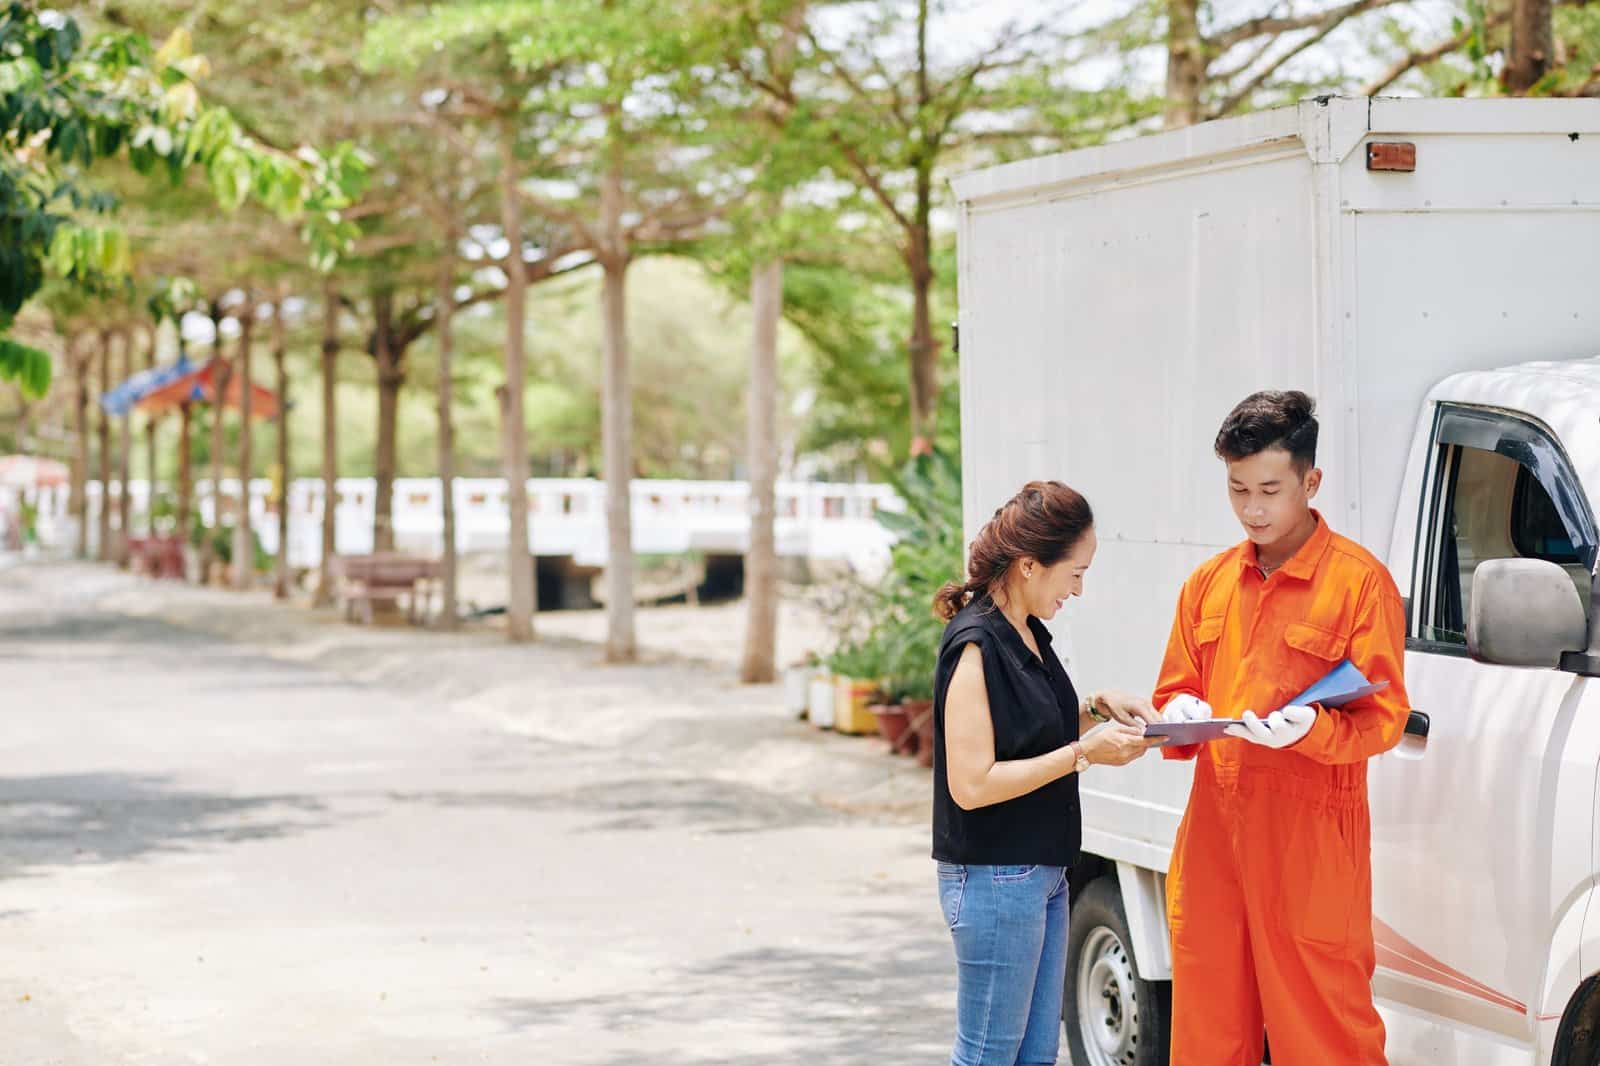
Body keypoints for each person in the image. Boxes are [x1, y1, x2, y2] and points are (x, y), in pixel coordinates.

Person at [1154, 390, 1410, 1065]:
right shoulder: (1207, 584)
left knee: (1327, 1037)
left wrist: (1311, 733)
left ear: (1310, 481)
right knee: (1208, 1037)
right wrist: (1179, 712)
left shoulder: (1360, 585)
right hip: (1214, 837)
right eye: (1238, 490)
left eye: (1270, 489)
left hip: (1310, 845)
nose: (1253, 508)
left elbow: (1385, 716)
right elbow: (1178, 685)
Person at [932, 480, 1160, 1066]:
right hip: (995, 878)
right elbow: (973, 783)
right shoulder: (976, 645)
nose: (1079, 589)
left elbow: (1026, 728)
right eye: (1075, 573)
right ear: (1031, 565)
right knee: (987, 1054)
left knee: (1035, 1056)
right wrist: (1085, 754)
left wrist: (1094, 707)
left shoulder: (1027, 633)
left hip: (1043, 875)